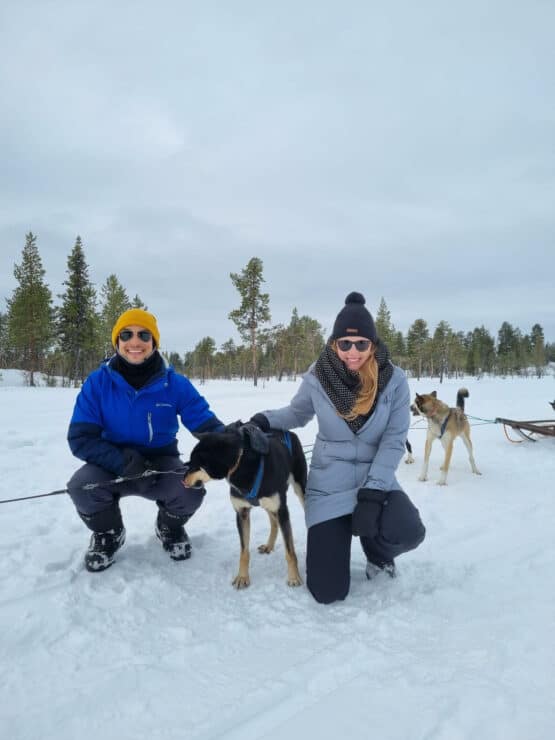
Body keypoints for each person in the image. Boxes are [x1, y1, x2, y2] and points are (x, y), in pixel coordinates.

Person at [249, 292, 425, 604]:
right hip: (329, 484)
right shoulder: (319, 374)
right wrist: (264, 420)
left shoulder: (394, 380)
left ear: (372, 344)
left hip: (375, 479)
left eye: (361, 343)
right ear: (335, 344)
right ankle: (337, 536)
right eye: (345, 343)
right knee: (327, 591)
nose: (353, 351)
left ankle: (378, 552)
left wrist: (373, 493)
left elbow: (394, 439)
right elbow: (297, 413)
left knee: (409, 530)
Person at [67, 308, 224, 572]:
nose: (135, 342)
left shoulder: (175, 384)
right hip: (112, 464)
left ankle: (169, 527)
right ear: (117, 342)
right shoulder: (97, 383)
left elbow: (205, 425)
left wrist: (235, 438)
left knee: (191, 487)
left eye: (144, 335)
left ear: (154, 342)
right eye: (126, 334)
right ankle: (109, 533)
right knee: (82, 486)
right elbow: (80, 438)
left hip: (159, 464)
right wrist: (121, 462)